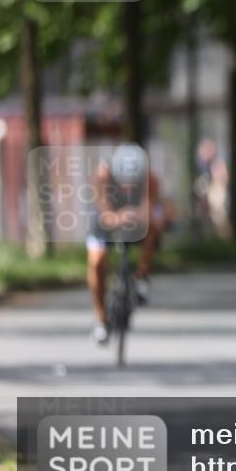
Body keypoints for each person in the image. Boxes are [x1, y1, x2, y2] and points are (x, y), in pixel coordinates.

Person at [86, 144, 165, 345]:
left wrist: (137, 216)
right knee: (96, 262)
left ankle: (142, 276)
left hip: (136, 216)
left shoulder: (151, 179)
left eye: (134, 183)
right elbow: (102, 208)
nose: (129, 187)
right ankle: (101, 320)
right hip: (108, 216)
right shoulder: (102, 175)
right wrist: (115, 217)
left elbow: (148, 208)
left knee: (154, 227)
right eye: (124, 183)